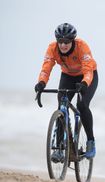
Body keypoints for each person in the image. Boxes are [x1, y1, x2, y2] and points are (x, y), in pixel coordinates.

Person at [34, 23, 98, 161]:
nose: (63, 45)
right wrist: (41, 83)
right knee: (62, 107)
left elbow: (88, 69)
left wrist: (84, 83)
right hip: (68, 76)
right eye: (61, 42)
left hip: (87, 76)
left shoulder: (82, 46)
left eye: (67, 42)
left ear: (73, 41)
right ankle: (59, 147)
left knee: (81, 105)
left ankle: (91, 142)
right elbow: (46, 68)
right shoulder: (52, 48)